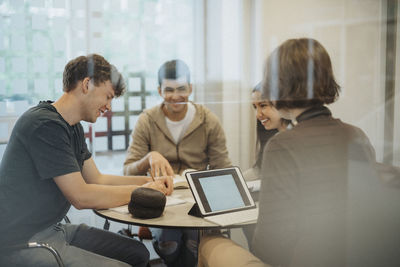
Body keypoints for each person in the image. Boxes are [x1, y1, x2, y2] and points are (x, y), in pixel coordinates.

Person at [198, 38, 399, 267]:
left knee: (209, 242)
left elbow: (270, 244)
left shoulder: (283, 145)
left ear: (280, 85)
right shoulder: (357, 135)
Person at [0, 54, 173, 267]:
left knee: (137, 253)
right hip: (22, 241)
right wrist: (147, 192)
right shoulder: (44, 125)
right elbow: (81, 196)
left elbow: (97, 179)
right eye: (108, 97)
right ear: (87, 84)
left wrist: (148, 182)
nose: (109, 107)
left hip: (54, 230)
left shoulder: (72, 127)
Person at [123, 59, 231, 267]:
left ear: (191, 88)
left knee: (194, 243)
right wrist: (149, 158)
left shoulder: (208, 120)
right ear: (159, 90)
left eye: (181, 89)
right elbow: (127, 170)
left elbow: (223, 169)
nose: (175, 96)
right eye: (169, 90)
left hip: (196, 202)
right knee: (169, 245)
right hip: (161, 201)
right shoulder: (147, 121)